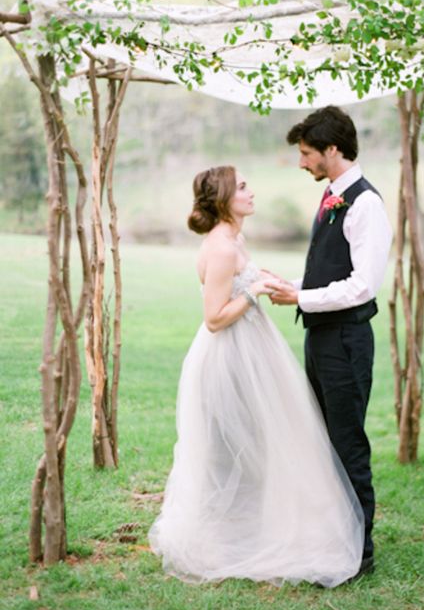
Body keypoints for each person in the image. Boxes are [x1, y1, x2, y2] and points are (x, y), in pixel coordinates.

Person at [149, 165, 364, 588]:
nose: (250, 191)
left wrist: (265, 280)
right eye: (242, 187)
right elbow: (213, 319)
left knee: (261, 445)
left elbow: (236, 287)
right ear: (224, 199)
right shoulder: (222, 248)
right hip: (230, 357)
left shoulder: (235, 239)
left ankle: (256, 528)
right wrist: (256, 291)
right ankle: (218, 539)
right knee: (237, 447)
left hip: (252, 350)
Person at [268, 106, 393, 578]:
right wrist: (297, 287)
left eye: (306, 153)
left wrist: (302, 295)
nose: (302, 162)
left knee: (347, 444)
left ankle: (359, 555)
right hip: (321, 339)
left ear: (332, 150)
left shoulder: (365, 204)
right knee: (323, 442)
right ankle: (332, 538)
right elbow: (331, 268)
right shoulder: (331, 194)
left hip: (345, 342)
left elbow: (363, 285)